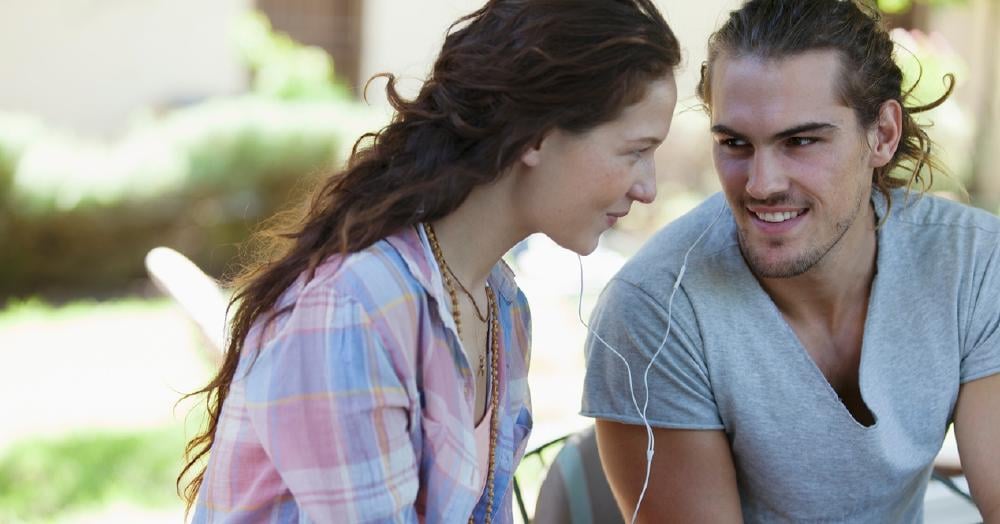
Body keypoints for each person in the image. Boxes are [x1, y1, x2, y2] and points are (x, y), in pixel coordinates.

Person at [178, 0, 681, 522]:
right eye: (635, 151)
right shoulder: (353, 311)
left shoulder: (503, 308)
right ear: (538, 135)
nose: (647, 188)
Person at [581, 0, 1000, 522]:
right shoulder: (656, 311)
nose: (761, 184)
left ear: (883, 135)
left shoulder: (972, 265)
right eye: (735, 143)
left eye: (801, 141)